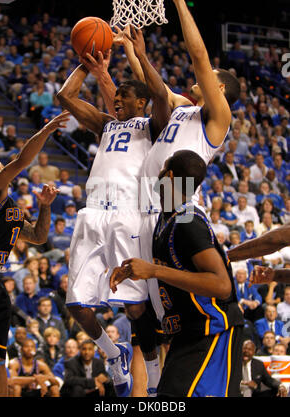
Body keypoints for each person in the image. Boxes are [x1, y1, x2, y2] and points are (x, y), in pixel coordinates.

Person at [115, 0, 240, 394]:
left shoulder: (216, 116)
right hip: (151, 212)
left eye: (208, 76)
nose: (196, 76)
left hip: (179, 214)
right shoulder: (184, 108)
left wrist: (181, 2)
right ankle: (156, 383)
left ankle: (166, 386)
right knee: (151, 312)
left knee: (180, 310)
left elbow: (199, 54)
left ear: (218, 88)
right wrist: (137, 53)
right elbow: (155, 87)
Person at [57, 28, 170, 397]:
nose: (116, 99)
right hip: (92, 214)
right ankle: (112, 355)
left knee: (137, 310)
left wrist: (139, 56)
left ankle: (152, 383)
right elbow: (66, 96)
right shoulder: (106, 124)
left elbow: (159, 95)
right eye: (115, 96)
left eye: (124, 96)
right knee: (76, 304)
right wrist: (87, 62)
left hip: (127, 215)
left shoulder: (154, 125)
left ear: (142, 103)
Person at [110, 150, 244, 397]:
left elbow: (222, 284)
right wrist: (134, 272)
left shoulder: (188, 222)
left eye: (162, 170)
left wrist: (153, 270)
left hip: (213, 330)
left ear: (169, 176)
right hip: (189, 332)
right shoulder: (166, 219)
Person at [0, 111, 69, 397]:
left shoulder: (11, 209)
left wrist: (45, 206)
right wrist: (46, 129)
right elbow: (22, 161)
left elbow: (39, 236)